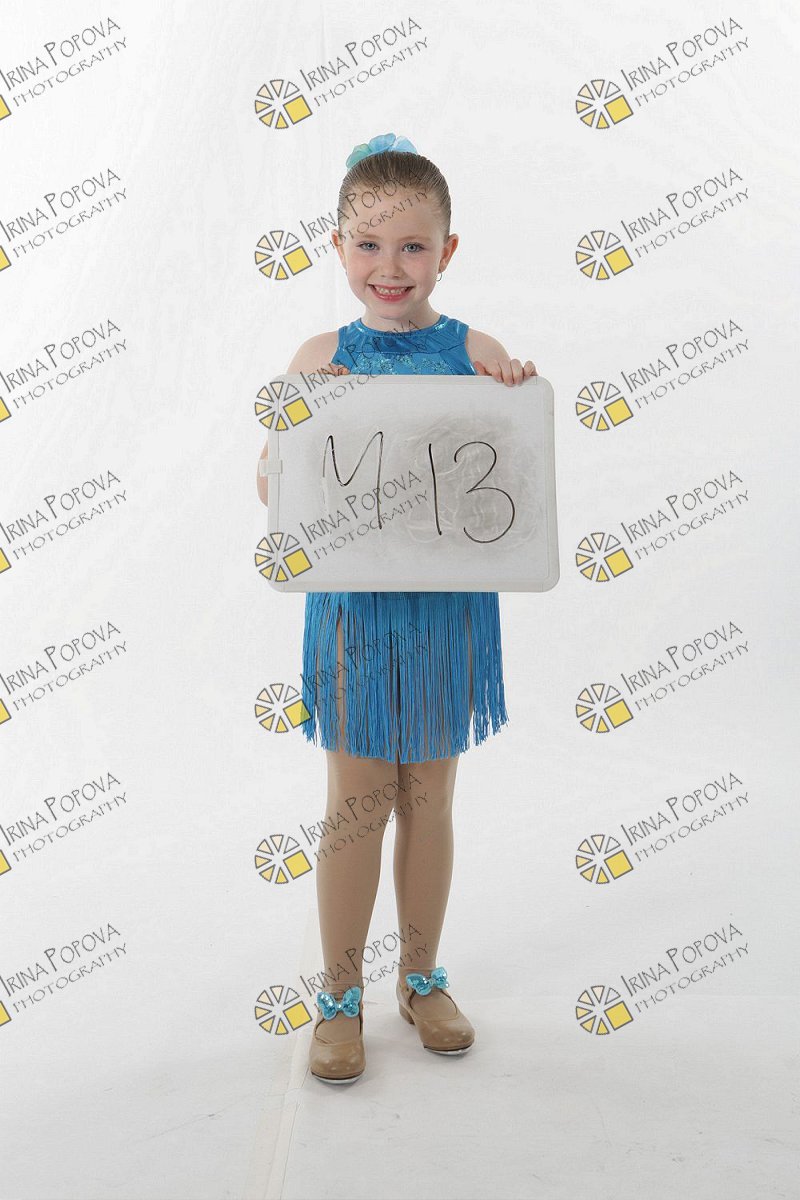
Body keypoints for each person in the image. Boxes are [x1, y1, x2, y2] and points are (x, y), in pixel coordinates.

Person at [256, 132, 537, 1083]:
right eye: (369, 245)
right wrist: (302, 423)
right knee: (356, 802)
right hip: (356, 615)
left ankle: (421, 978)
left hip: (445, 612)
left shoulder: (474, 350)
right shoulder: (320, 355)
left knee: (430, 797)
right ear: (337, 247)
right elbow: (273, 488)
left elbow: (510, 470)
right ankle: (340, 995)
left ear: (446, 251)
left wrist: (510, 395)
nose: (390, 266)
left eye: (412, 246)